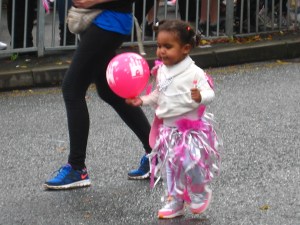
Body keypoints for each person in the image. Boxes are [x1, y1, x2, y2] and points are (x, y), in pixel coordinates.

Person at [43, 0, 152, 190]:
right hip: (98, 21)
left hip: (109, 22)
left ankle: (77, 168)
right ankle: (156, 153)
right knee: (110, 92)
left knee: (72, 88)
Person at [126, 19, 222, 219]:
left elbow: (209, 93)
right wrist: (141, 100)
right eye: (159, 46)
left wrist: (201, 96)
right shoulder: (161, 70)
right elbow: (157, 96)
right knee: (171, 168)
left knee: (191, 161)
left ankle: (199, 191)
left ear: (186, 48)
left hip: (190, 131)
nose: (161, 51)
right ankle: (176, 201)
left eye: (168, 47)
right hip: (168, 131)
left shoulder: (194, 72)